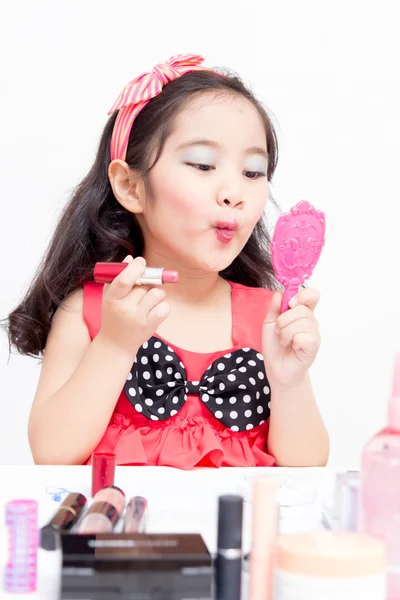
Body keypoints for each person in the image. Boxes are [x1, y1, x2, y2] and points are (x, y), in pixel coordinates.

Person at [4, 53, 329, 468]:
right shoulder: (90, 312)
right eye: (203, 165)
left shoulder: (267, 317)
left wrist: (290, 381)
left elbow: (306, 472)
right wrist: (117, 343)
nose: (234, 192)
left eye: (252, 172)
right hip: (126, 530)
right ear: (130, 186)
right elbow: (51, 453)